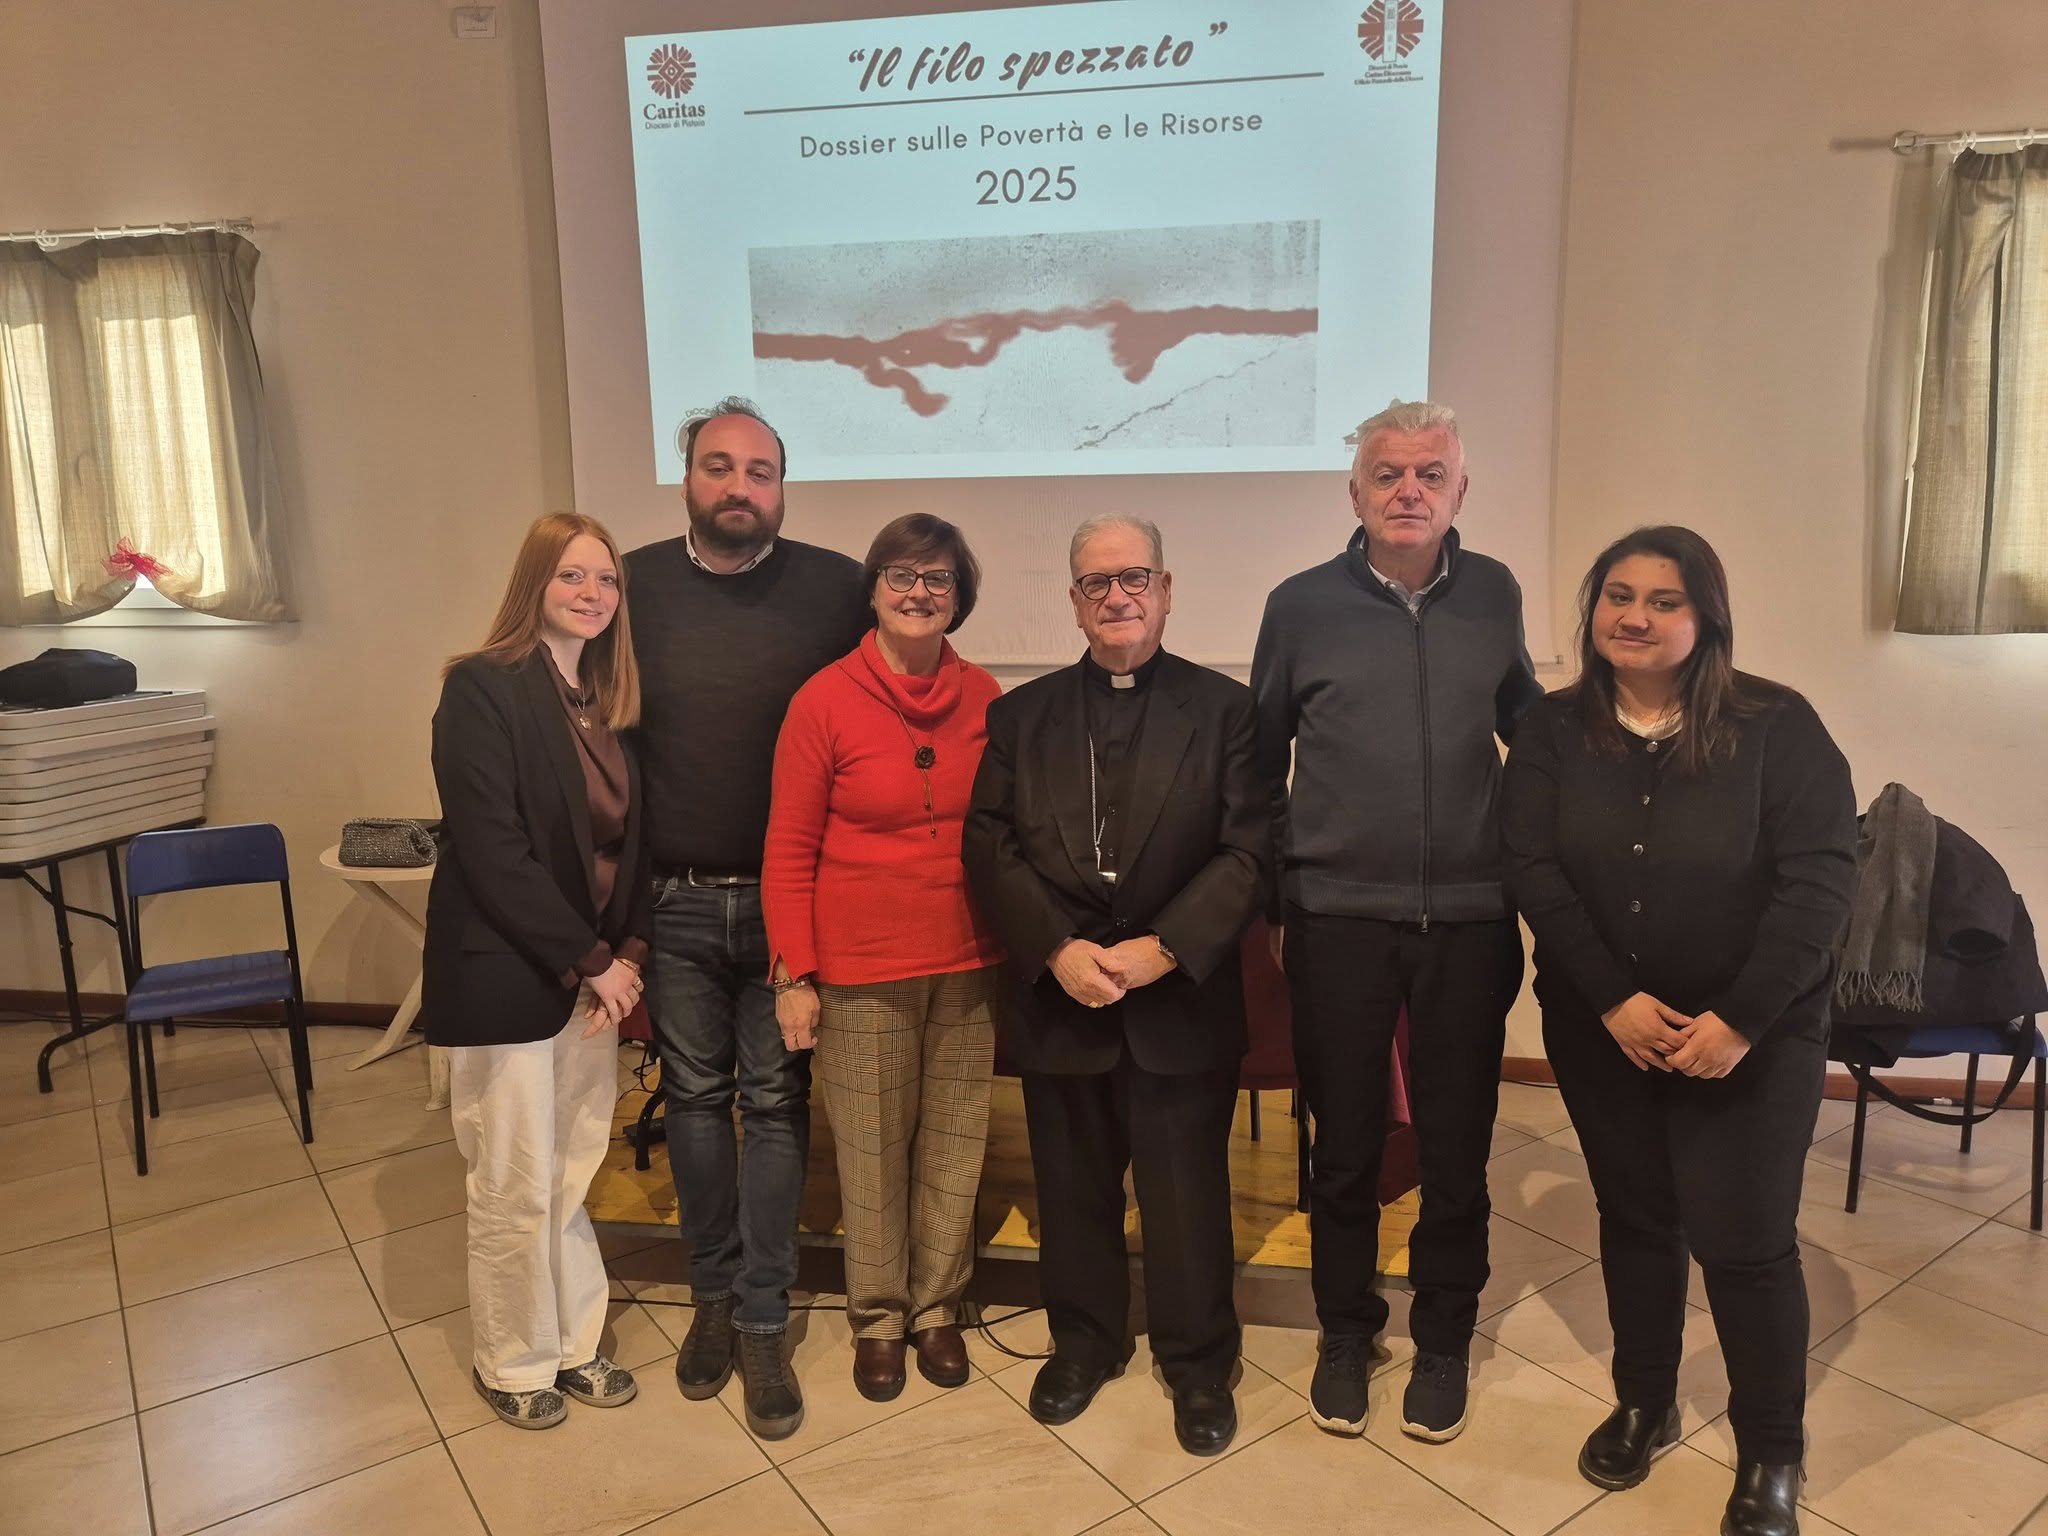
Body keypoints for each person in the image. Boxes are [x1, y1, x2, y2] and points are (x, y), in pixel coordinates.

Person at [1501, 526, 1854, 1536]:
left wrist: (1738, 1021)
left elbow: (1820, 881)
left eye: (1664, 600)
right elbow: (1532, 868)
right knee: (1635, 1218)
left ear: (1706, 618)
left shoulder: (1777, 726)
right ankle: (1644, 1403)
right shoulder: (1551, 727)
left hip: (1753, 1037)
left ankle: (1770, 1453)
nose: (1636, 616)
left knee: (1744, 1243)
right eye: (1619, 595)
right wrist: (1612, 1000)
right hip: (1602, 1028)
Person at [1250, 399, 1544, 1442]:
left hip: (1468, 920)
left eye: (1429, 473)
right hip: (1336, 921)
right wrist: (1277, 899)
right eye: (1387, 474)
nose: (1408, 490)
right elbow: (1259, 763)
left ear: (1459, 490)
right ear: (1355, 494)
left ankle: (1444, 1335)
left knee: (1458, 1151)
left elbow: (1527, 728)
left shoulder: (1494, 593)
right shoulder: (1298, 606)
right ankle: (1345, 1331)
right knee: (1343, 1151)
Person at [963, 514, 1267, 1458]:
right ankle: (1084, 1343)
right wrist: (1056, 949)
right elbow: (989, 844)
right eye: (1096, 582)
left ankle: (1198, 1363)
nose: (1117, 597)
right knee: (1071, 1188)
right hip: (1063, 995)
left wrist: (1162, 949)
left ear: (1166, 591)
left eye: (1134, 577)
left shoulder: (1227, 711)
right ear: (1074, 602)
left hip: (1177, 996)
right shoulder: (1023, 716)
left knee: (1186, 1196)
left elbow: (1250, 848)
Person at [626, 397, 868, 1440]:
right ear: (687, 477)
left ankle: (766, 1314)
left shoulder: (837, 588)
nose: (739, 487)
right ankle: (712, 1299)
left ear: (782, 486)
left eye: (759, 471)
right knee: (692, 1102)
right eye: (718, 467)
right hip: (673, 900)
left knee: (772, 1107)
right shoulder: (628, 586)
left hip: (787, 903)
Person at [762, 514, 1005, 1402]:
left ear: (959, 596)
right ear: (872, 589)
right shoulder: (822, 700)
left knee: (953, 1145)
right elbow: (787, 848)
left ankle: (937, 1308)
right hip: (860, 968)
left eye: (938, 578)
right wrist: (793, 974)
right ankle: (878, 1318)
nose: (919, 592)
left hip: (969, 960)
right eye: (901, 574)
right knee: (868, 1153)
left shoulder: (987, 697)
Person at [424, 512, 652, 1430]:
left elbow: (632, 846)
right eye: (572, 575)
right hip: (510, 974)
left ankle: (574, 1342)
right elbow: (492, 848)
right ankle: (513, 1360)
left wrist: (628, 954)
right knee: (513, 1180)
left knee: (569, 1171)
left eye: (607, 579)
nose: (593, 593)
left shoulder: (607, 699)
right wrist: (594, 960)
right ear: (535, 583)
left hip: (591, 980)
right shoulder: (482, 688)